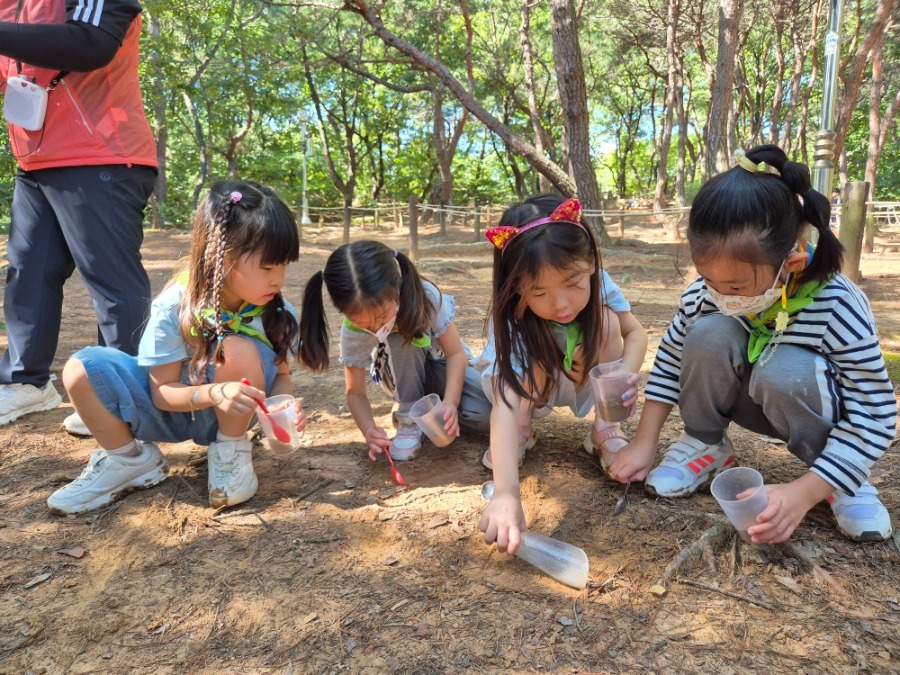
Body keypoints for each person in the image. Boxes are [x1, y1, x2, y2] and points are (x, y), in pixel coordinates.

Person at [609, 145, 895, 543]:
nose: (720, 295)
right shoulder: (705, 295)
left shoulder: (837, 304)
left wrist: (802, 492)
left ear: (791, 259)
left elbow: (874, 412)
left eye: (737, 286)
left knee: (784, 369)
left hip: (811, 411)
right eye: (709, 280)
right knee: (709, 331)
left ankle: (838, 480)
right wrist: (644, 441)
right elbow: (671, 361)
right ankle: (705, 443)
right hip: (750, 398)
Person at [46, 182, 306, 514]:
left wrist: (281, 405)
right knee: (81, 369)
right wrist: (214, 392)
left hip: (235, 417)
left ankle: (230, 450)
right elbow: (161, 393)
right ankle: (129, 460)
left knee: (236, 348)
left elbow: (281, 374)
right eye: (269, 267)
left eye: (285, 265)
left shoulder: (277, 311)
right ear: (221, 258)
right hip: (177, 409)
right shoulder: (174, 306)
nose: (278, 279)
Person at [0, 0, 158, 426]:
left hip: (100, 155)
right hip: (34, 160)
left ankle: (122, 395)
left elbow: (90, 44)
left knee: (110, 280)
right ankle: (25, 382)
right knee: (28, 272)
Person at [477, 195, 648, 555]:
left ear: (589, 264)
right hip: (529, 390)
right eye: (538, 291)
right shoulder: (511, 315)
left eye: (572, 283)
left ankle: (605, 428)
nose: (562, 304)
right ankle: (523, 431)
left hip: (587, 380)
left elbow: (636, 333)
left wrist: (623, 375)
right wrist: (506, 492)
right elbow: (505, 400)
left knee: (607, 322)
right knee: (517, 369)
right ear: (515, 286)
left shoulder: (601, 284)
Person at [299, 240, 490, 462]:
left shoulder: (424, 296)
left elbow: (455, 354)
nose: (374, 327)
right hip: (398, 374)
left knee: (485, 415)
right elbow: (355, 392)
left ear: (396, 290)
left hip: (442, 367)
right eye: (361, 321)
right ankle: (409, 414)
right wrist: (368, 430)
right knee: (399, 339)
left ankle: (426, 412)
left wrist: (450, 403)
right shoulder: (353, 330)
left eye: (381, 316)